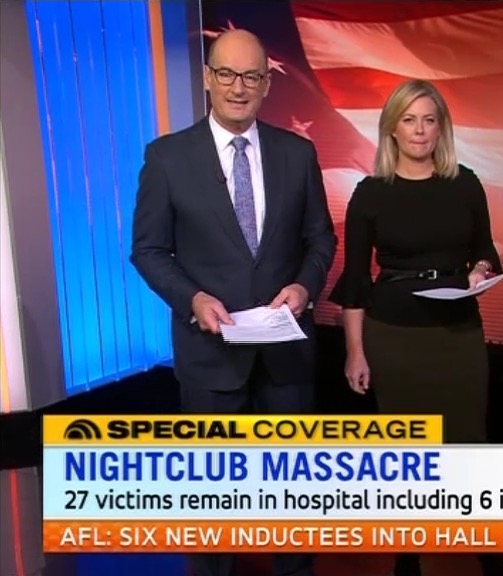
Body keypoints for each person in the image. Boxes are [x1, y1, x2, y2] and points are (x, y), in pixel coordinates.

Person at [130, 29, 336, 576]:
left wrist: (304, 287)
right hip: (210, 358)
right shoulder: (167, 157)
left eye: (251, 76)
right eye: (226, 74)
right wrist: (192, 298)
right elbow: (148, 250)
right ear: (207, 78)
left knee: (294, 505)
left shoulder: (297, 153)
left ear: (267, 84)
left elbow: (321, 238)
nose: (238, 87)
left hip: (286, 358)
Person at [327, 79, 503, 576]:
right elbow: (356, 280)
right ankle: (409, 553)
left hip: (458, 333)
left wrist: (480, 271)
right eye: (409, 120)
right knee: (408, 450)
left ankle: (487, 547)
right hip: (394, 334)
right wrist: (354, 352)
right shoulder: (370, 194)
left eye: (429, 120)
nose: (420, 130)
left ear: (441, 127)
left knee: (468, 442)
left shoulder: (465, 183)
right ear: (392, 129)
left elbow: (485, 249)